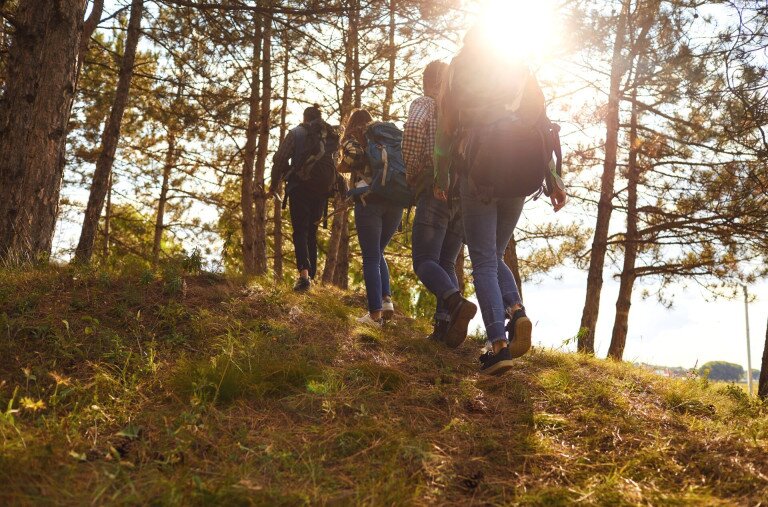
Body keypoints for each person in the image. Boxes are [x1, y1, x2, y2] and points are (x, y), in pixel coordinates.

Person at [437, 27, 568, 375]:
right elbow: (541, 122)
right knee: (493, 255)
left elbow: (446, 126)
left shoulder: (459, 66)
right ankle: (516, 312)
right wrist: (553, 179)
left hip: (479, 170)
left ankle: (497, 345)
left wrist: (440, 175)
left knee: (482, 259)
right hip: (521, 171)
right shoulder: (518, 65)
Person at [404, 60, 477, 348]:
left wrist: (412, 172)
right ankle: (443, 329)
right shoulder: (465, 110)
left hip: (435, 187)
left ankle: (456, 303)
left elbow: (411, 129)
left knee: (424, 262)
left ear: (427, 81)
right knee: (446, 262)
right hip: (463, 194)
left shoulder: (426, 102)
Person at [338, 109, 405, 327]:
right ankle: (386, 300)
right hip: (395, 200)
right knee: (378, 252)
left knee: (370, 257)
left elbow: (354, 158)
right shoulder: (386, 137)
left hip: (369, 201)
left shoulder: (354, 137)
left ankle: (374, 315)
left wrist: (342, 163)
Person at [269, 105, 339, 292]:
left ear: (304, 117)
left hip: (300, 187)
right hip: (322, 191)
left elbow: (281, 159)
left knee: (300, 230)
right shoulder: (330, 136)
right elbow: (336, 165)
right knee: (311, 232)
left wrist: (274, 184)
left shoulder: (297, 133)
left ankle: (304, 277)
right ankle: (311, 277)